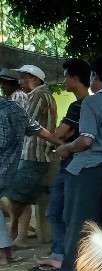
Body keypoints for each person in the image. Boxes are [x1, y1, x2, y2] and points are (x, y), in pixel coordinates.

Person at [53, 56, 102, 271]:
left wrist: (66, 147)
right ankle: (95, 268)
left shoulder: (90, 104)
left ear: (95, 77)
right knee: (99, 221)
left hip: (87, 168)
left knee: (75, 221)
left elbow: (86, 140)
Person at [33, 59, 91, 271]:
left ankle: (62, 256)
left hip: (72, 165)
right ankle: (63, 254)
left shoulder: (79, 105)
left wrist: (37, 130)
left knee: (58, 211)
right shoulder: (88, 104)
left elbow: (59, 134)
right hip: (78, 165)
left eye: (66, 76)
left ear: (74, 78)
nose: (64, 80)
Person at [0, 91, 60, 265]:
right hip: (9, 169)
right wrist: (63, 145)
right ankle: (7, 253)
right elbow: (41, 131)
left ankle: (4, 255)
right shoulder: (16, 111)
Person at [6, 64, 57, 248]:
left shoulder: (37, 95)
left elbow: (27, 124)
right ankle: (20, 236)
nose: (19, 81)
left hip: (32, 154)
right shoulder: (43, 95)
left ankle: (11, 233)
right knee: (21, 197)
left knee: (16, 197)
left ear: (34, 79)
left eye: (23, 77)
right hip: (34, 153)